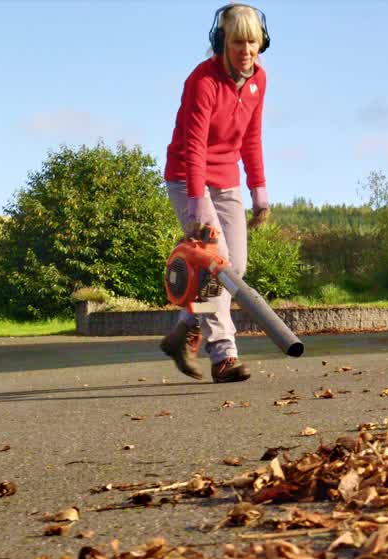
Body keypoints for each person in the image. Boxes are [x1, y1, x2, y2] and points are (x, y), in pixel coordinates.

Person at [160, 3, 272, 383]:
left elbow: (251, 139)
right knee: (215, 264)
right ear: (221, 41)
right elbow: (193, 146)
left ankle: (183, 331)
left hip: (226, 182)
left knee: (235, 269)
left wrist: (259, 192)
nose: (246, 51)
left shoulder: (259, 81)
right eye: (238, 42)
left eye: (253, 43)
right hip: (187, 179)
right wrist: (196, 204)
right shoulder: (202, 81)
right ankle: (223, 355)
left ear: (262, 43)